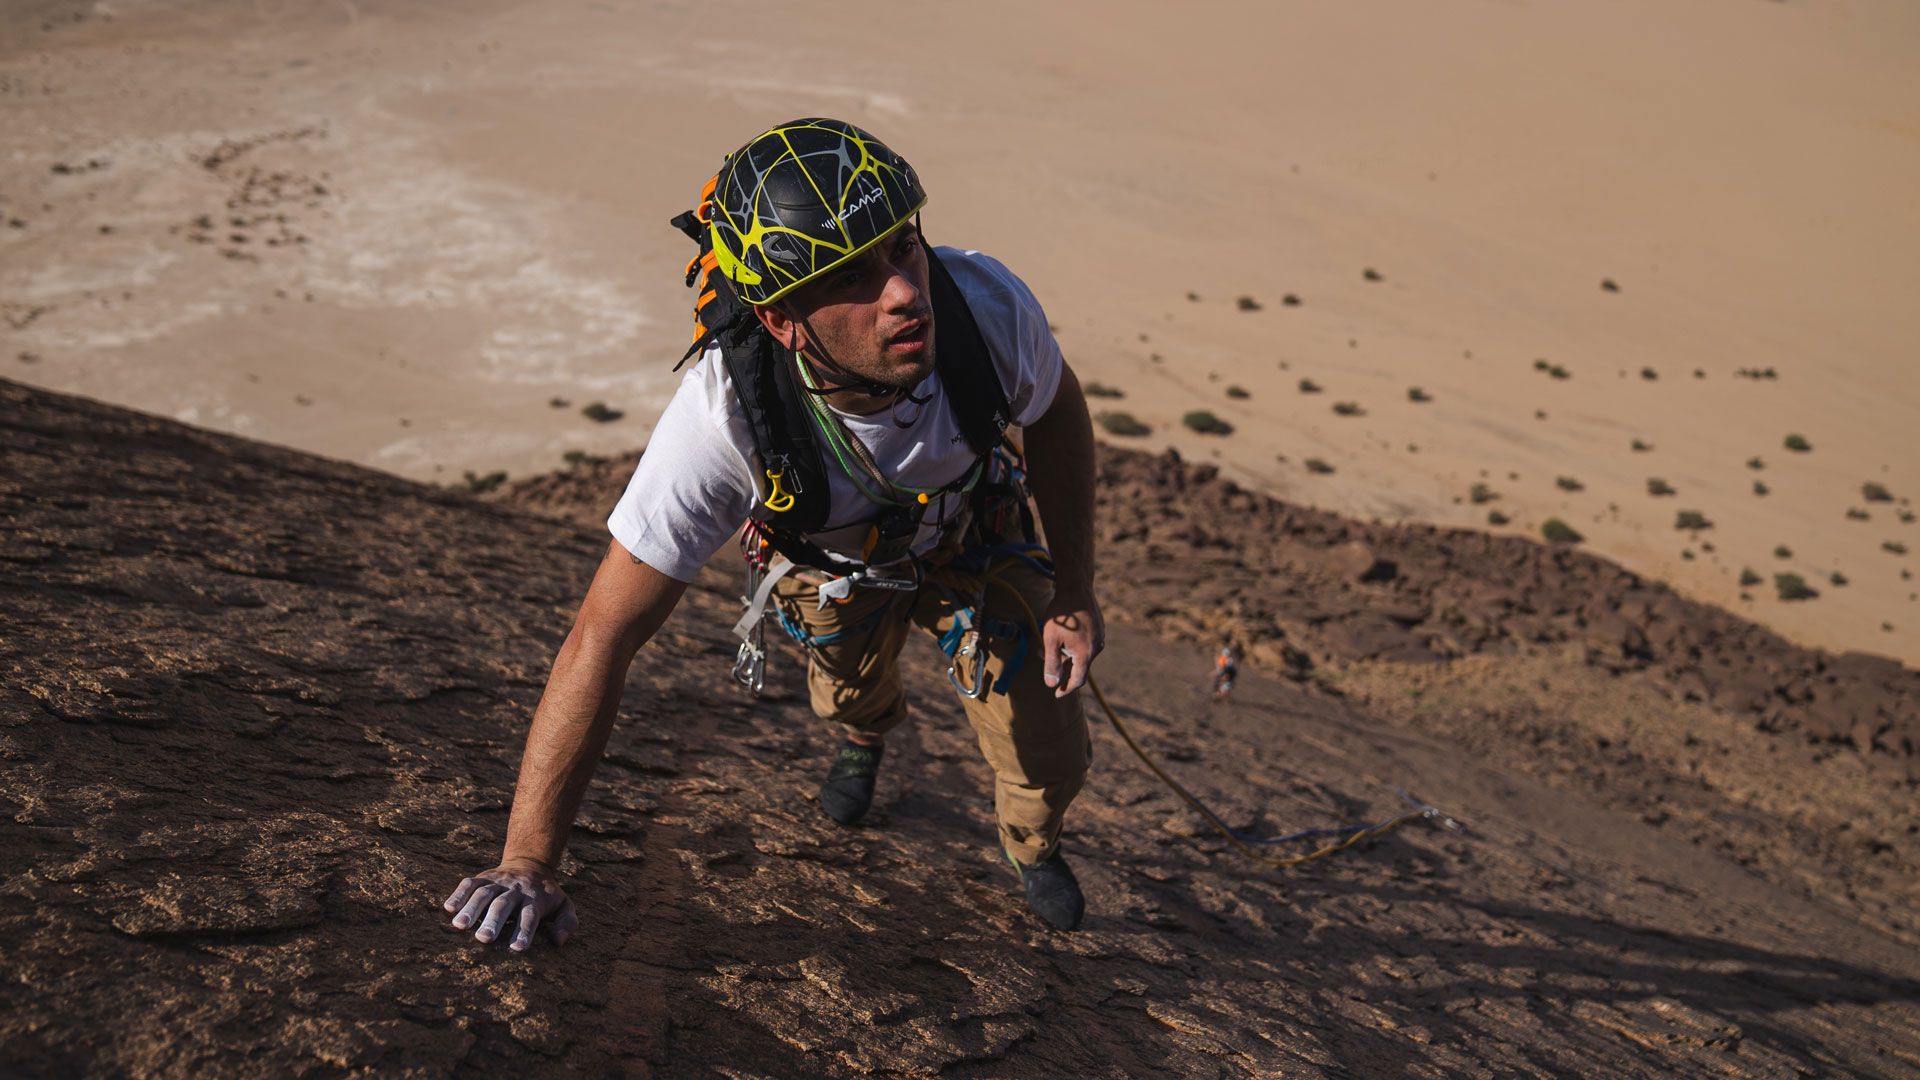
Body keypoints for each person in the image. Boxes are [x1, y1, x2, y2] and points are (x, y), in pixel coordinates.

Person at [442, 118, 1103, 949]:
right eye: (852, 277)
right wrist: (527, 862)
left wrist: (1073, 592)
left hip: (973, 532)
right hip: (835, 571)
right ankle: (864, 736)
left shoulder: (986, 309)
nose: (904, 291)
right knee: (851, 688)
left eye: (903, 246)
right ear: (784, 319)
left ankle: (1032, 845)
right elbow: (603, 634)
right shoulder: (727, 423)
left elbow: (1058, 413)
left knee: (1046, 733)